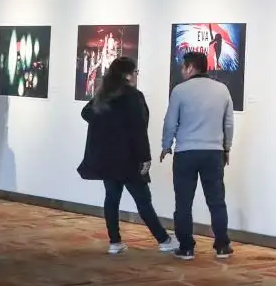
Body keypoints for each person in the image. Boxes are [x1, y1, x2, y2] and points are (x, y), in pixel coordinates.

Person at [79, 57, 175, 256]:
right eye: (135, 72)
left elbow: (86, 113)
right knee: (143, 200)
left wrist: (107, 126)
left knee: (112, 199)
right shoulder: (133, 96)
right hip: (128, 158)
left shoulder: (103, 96)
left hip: (108, 158)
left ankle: (115, 241)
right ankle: (163, 239)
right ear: (127, 74)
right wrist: (145, 157)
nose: (136, 76)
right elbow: (138, 129)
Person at [161, 51, 234, 261]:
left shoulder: (180, 91)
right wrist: (227, 148)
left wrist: (166, 146)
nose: (182, 71)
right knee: (217, 201)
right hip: (213, 153)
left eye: (183, 67)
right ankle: (222, 245)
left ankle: (186, 248)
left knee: (183, 202)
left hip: (186, 153)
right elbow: (228, 123)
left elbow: (170, 122)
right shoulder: (222, 90)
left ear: (191, 67)